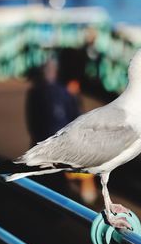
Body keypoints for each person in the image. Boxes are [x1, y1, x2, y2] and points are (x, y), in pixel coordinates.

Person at [26, 54, 97, 204]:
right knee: (81, 173)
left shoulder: (35, 92)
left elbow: (33, 121)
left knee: (53, 181)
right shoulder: (62, 92)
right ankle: (87, 199)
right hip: (64, 142)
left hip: (45, 144)